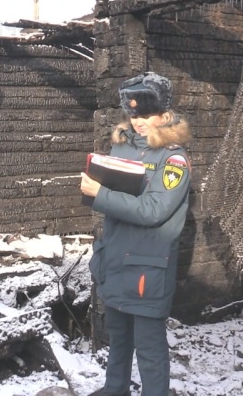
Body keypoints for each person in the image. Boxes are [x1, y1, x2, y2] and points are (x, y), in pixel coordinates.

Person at [81, 72, 191, 396]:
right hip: (115, 260)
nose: (138, 121)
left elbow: (153, 210)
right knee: (118, 338)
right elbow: (118, 201)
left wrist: (99, 194)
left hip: (147, 268)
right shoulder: (122, 149)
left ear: (164, 113)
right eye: (133, 114)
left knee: (149, 348)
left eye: (146, 114)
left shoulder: (174, 159)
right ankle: (114, 390)